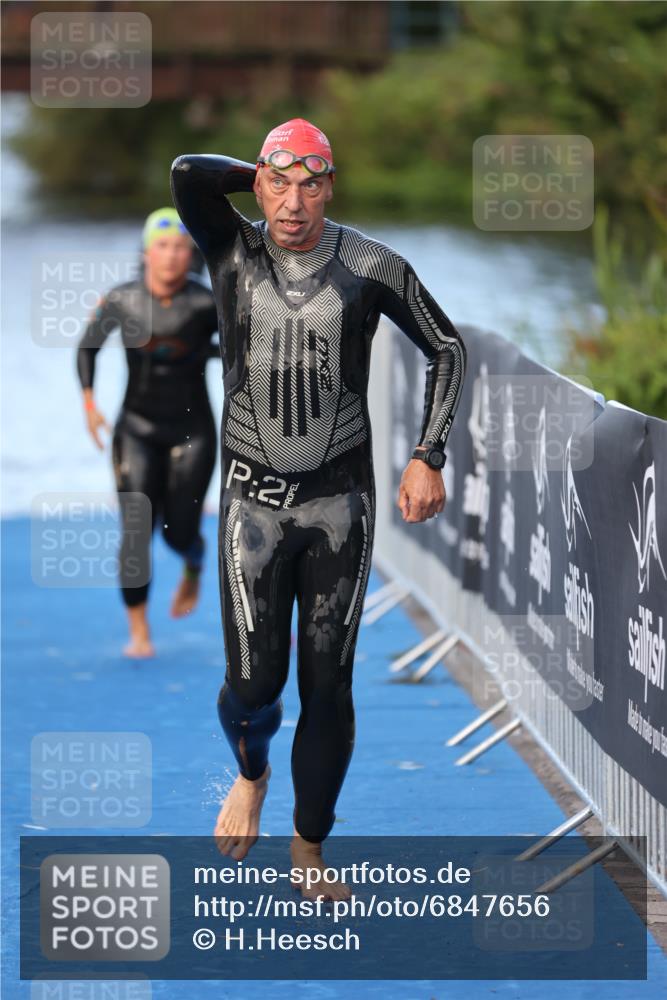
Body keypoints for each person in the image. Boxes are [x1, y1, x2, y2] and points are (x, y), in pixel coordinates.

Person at [171, 119, 467, 900]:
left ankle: (308, 846)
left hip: (339, 508)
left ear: (331, 186)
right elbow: (187, 172)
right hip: (251, 508)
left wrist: (426, 453)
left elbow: (447, 347)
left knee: (327, 686)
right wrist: (265, 165)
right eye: (278, 184)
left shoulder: (371, 266)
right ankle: (251, 772)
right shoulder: (232, 250)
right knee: (253, 685)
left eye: (311, 183)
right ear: (259, 185)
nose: (294, 202)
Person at [76, 208, 220, 658]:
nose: (172, 256)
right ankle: (139, 633)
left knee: (178, 533)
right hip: (135, 429)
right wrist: (88, 403)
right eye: (163, 246)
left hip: (192, 431)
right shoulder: (122, 300)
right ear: (146, 253)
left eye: (181, 247)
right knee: (137, 530)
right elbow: (88, 347)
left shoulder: (205, 303)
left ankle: (193, 562)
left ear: (190, 254)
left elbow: (243, 350)